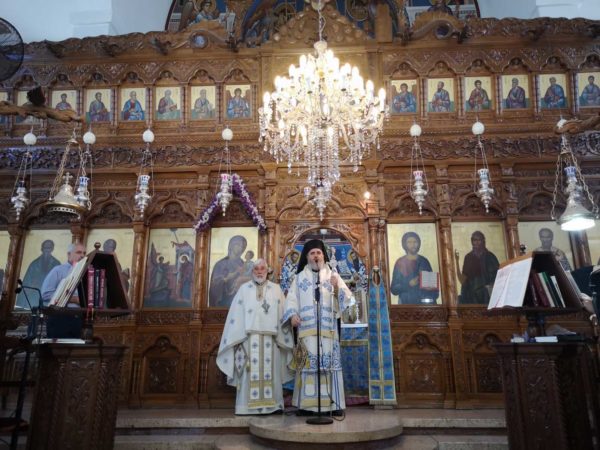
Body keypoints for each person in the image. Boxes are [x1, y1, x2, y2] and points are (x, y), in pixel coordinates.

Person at [282, 239, 355, 416]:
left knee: (329, 367)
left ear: (324, 256)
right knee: (308, 367)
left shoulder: (333, 276)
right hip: (306, 332)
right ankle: (307, 407)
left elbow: (349, 301)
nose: (316, 256)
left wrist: (337, 288)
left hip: (328, 331)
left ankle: (334, 405)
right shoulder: (299, 278)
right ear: (307, 257)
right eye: (312, 253)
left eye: (319, 253)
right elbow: (291, 300)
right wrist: (292, 315)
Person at [217, 259, 294, 414]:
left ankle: (274, 406)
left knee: (273, 372)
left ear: (268, 271)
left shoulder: (276, 289)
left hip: (271, 340)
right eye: (256, 269)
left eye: (262, 269)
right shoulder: (244, 289)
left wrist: (283, 338)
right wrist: (237, 337)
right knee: (248, 371)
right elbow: (236, 315)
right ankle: (245, 407)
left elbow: (283, 314)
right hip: (248, 340)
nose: (259, 272)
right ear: (252, 271)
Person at [40, 243, 86, 338]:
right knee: (59, 347)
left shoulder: (85, 273)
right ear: (69, 254)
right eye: (79, 252)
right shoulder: (58, 270)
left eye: (84, 253)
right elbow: (45, 294)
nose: (82, 255)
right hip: (60, 319)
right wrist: (74, 299)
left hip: (80, 319)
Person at [390, 232, 439, 304]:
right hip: (406, 304)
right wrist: (409, 284)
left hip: (424, 304)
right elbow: (394, 289)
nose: (413, 245)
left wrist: (430, 288)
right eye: (409, 242)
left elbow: (433, 288)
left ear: (418, 243)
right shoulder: (400, 263)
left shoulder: (424, 261)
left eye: (415, 242)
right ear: (404, 244)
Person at [455, 231, 500, 305]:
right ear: (472, 242)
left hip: (487, 295)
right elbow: (463, 280)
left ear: (483, 241)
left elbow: (498, 277)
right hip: (471, 297)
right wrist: (456, 261)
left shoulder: (490, 257)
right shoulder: (468, 257)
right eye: (475, 240)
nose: (477, 243)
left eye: (479, 240)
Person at [16, 239, 61, 308]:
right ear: (42, 249)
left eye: (49, 248)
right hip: (34, 296)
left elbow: (60, 284)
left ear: (52, 249)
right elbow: (26, 283)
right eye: (45, 248)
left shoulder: (56, 264)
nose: (47, 250)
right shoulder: (34, 264)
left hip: (49, 298)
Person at [209, 235, 249, 307]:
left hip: (240, 302)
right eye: (238, 245)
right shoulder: (220, 264)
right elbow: (214, 285)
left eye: (243, 246)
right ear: (231, 245)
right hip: (223, 302)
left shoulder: (244, 265)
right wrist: (226, 279)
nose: (240, 248)